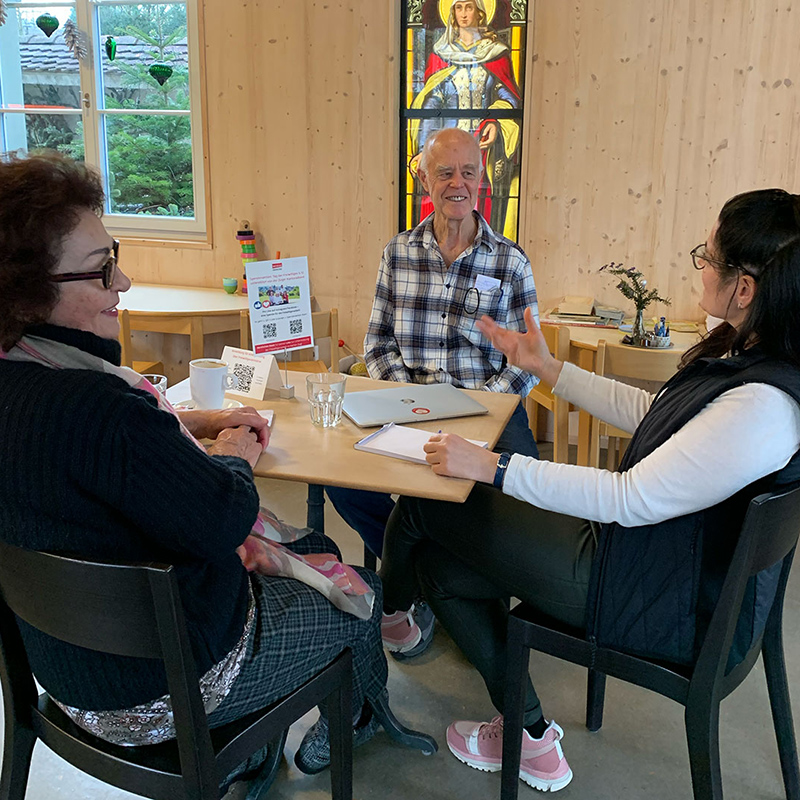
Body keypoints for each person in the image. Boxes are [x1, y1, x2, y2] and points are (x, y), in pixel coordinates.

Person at [0, 151, 407, 794]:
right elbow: (222, 516)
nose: (124, 281)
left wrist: (192, 424)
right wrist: (234, 459)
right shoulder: (103, 413)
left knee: (312, 547)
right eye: (104, 269)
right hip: (164, 690)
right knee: (360, 591)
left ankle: (251, 748)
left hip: (63, 673)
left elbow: (105, 459)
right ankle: (352, 718)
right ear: (28, 288)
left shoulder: (28, 378)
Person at [378, 188, 800, 792]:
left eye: (707, 258)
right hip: (651, 565)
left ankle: (379, 617)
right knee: (442, 567)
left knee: (426, 500)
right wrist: (550, 370)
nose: (699, 267)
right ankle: (526, 735)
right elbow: (655, 411)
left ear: (746, 288)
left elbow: (629, 497)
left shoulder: (763, 406)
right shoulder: (757, 365)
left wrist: (493, 467)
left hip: (650, 593)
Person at [326, 126, 539, 657]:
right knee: (343, 480)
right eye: (445, 172)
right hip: (408, 405)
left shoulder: (510, 262)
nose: (457, 184)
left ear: (483, 178)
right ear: (425, 178)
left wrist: (480, 416)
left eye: (468, 171)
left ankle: (460, 593)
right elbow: (376, 346)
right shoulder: (397, 253)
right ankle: (422, 584)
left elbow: (525, 364)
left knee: (520, 500)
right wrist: (412, 407)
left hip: (487, 407)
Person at [410, 0, 522, 238]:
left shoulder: (496, 52)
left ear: (480, 12)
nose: (463, 13)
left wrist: (495, 122)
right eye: (458, 7)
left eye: (468, 7)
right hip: (445, 149)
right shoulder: (441, 53)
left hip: (479, 147)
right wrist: (424, 149)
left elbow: (507, 95)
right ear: (451, 13)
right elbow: (431, 102)